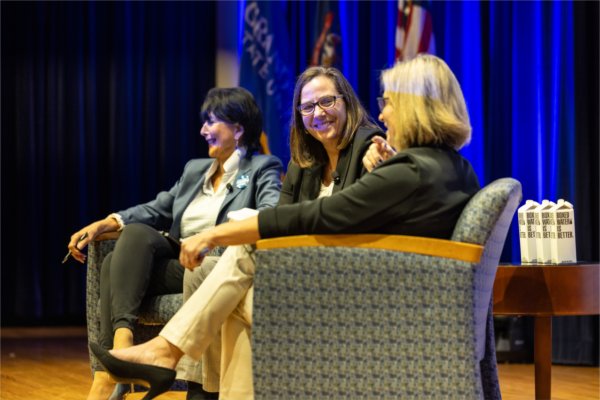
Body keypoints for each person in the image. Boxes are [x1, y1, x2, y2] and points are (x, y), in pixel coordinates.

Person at [89, 54, 480, 400]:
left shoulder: (408, 169)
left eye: (390, 103)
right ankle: (170, 355)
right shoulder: (451, 169)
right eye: (308, 106)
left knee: (244, 257)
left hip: (365, 310)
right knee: (239, 290)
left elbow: (322, 217)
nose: (383, 114)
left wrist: (215, 234)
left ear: (415, 108)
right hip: (387, 299)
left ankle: (169, 353)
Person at [177, 66, 383, 398]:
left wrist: (215, 236)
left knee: (235, 290)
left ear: (346, 102)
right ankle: (203, 388)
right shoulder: (304, 163)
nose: (318, 113)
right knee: (210, 273)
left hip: (343, 274)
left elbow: (345, 220)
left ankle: (180, 365)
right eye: (307, 107)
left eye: (327, 101)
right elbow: (277, 219)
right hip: (298, 269)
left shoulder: (368, 145)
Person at [68, 87, 283, 400]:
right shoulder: (195, 169)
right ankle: (121, 351)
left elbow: (269, 213)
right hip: (179, 257)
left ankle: (111, 374)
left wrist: (216, 238)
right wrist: (107, 222)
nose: (203, 130)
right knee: (133, 237)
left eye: (212, 121)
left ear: (238, 129)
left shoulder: (262, 167)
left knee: (114, 265)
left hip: (217, 263)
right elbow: (157, 208)